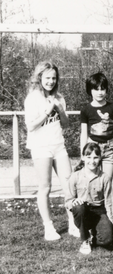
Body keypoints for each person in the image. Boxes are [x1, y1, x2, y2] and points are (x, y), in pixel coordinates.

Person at [24, 61, 79, 241]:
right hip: (41, 147)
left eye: (54, 78)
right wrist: (47, 112)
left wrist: (60, 110)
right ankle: (49, 227)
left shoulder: (59, 97)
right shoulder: (32, 98)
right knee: (45, 188)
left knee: (69, 186)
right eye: (47, 78)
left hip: (58, 146)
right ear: (40, 77)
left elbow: (65, 124)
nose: (51, 81)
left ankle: (73, 223)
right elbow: (31, 126)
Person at [65, 143, 113, 255]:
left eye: (96, 157)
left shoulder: (104, 177)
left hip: (99, 211)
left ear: (100, 158)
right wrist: (74, 201)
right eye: (89, 157)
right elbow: (67, 201)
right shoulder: (75, 176)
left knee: (107, 240)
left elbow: (109, 201)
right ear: (83, 157)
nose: (92, 161)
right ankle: (85, 239)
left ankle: (94, 232)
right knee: (79, 207)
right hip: (83, 212)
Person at [80, 72, 113, 181]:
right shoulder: (86, 110)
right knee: (93, 180)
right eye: (96, 89)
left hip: (110, 149)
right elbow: (84, 133)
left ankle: (107, 199)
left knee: (107, 181)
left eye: (102, 89)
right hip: (92, 148)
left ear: (106, 90)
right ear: (90, 90)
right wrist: (83, 153)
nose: (99, 92)